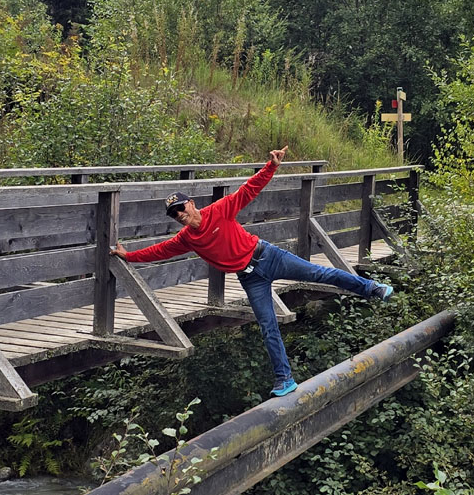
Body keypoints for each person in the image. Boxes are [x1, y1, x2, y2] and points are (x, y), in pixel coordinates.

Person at [110, 146, 393, 397]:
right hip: (250, 277)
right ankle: (284, 379)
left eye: (181, 208)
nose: (180, 215)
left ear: (191, 203)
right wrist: (128, 255)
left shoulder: (219, 210)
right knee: (268, 325)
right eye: (174, 215)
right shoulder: (186, 239)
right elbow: (158, 251)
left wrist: (271, 165)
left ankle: (373, 289)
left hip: (268, 256)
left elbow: (249, 190)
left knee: (322, 275)